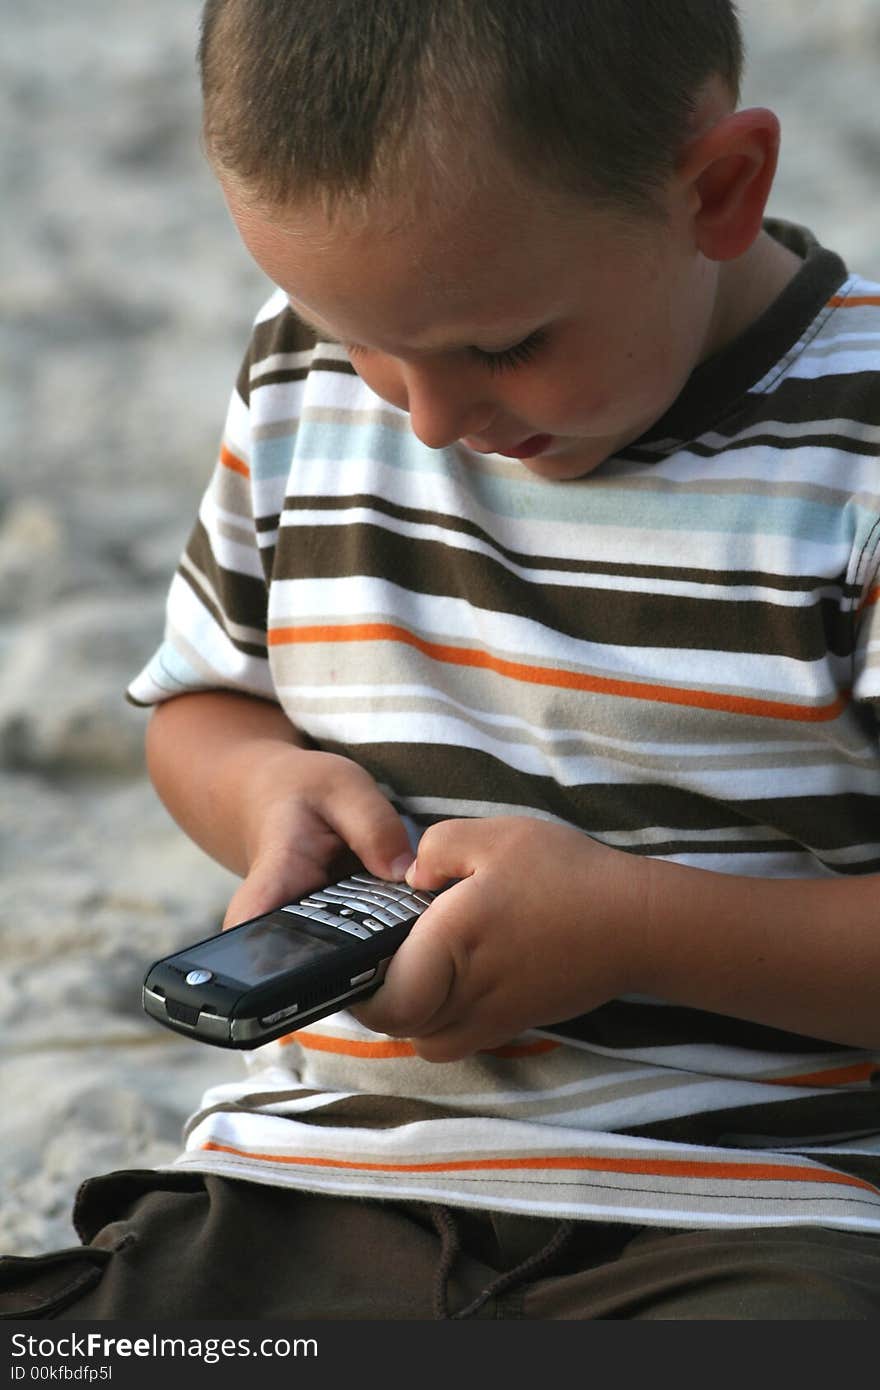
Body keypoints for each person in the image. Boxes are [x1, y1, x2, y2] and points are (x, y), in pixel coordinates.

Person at [3, 0, 880, 1321]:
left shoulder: (853, 458)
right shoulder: (312, 373)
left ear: (721, 189)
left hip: (747, 1208)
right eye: (356, 334)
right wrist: (263, 792)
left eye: (502, 347)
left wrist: (634, 933)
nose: (426, 415)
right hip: (322, 1180)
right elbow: (201, 708)